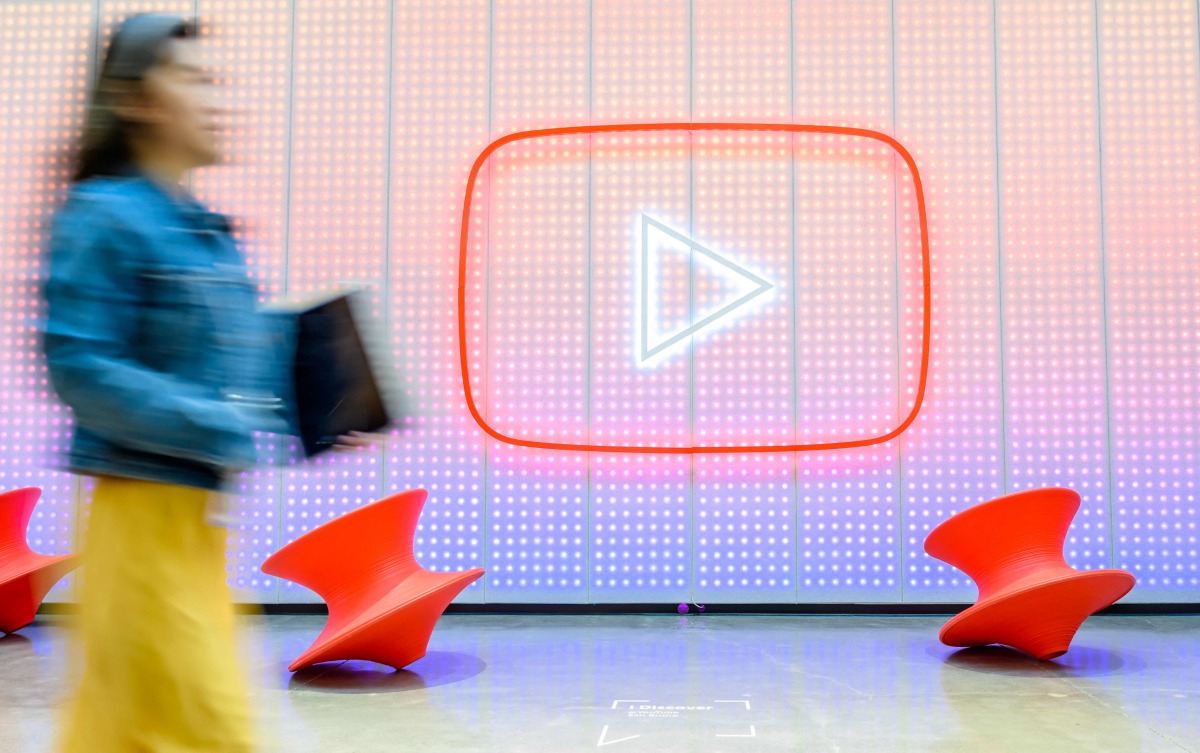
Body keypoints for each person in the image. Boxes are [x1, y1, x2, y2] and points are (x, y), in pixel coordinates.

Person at [41, 14, 304, 751]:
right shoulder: (104, 217)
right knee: (216, 731)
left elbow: (241, 368)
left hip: (201, 529)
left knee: (116, 733)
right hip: (140, 524)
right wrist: (216, 425)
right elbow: (78, 364)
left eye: (214, 80)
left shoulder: (208, 231)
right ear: (136, 100)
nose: (217, 99)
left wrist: (317, 404)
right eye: (193, 79)